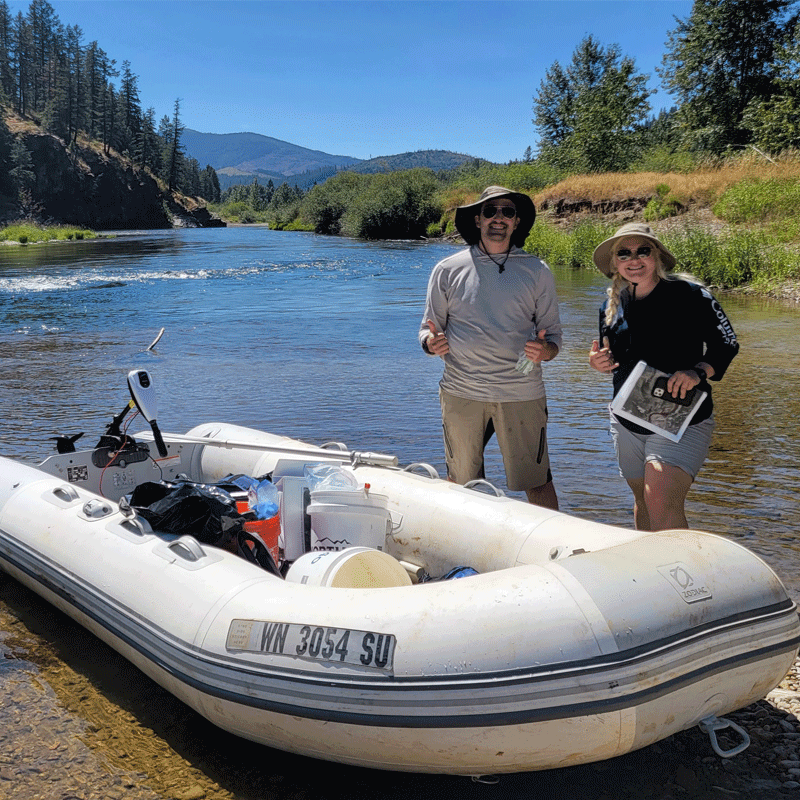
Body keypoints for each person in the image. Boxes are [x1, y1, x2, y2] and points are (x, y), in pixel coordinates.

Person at [588, 222, 739, 531]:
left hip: (680, 416)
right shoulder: (610, 306)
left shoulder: (691, 295)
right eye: (624, 253)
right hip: (627, 418)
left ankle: (683, 575)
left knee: (659, 499)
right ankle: (649, 572)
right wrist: (599, 362)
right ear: (615, 262)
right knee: (642, 500)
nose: (634, 259)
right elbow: (616, 358)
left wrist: (698, 371)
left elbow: (727, 343)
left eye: (643, 250)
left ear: (656, 255)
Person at [419, 186, 562, 509]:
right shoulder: (447, 269)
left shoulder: (537, 271)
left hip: (521, 392)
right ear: (477, 219)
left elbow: (554, 338)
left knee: (537, 483)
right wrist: (430, 344)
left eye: (507, 212)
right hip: (461, 391)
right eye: (490, 211)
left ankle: (555, 551)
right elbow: (428, 328)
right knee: (460, 483)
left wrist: (545, 351)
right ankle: (462, 552)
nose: (499, 218)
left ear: (517, 221)